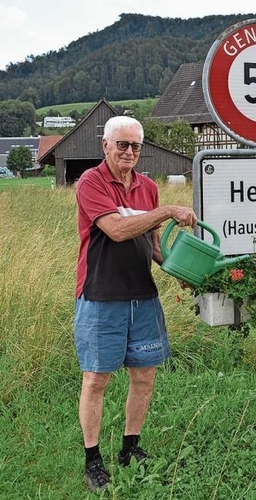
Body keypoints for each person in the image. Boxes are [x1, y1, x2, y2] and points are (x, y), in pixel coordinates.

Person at [73, 115, 197, 492]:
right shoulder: (91, 182)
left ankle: (130, 448)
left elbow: (154, 244)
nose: (129, 152)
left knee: (144, 375)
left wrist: (185, 273)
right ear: (105, 146)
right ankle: (93, 459)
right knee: (97, 379)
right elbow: (117, 229)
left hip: (143, 296)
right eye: (122, 144)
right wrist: (166, 211)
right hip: (101, 295)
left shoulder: (146, 187)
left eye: (136, 146)